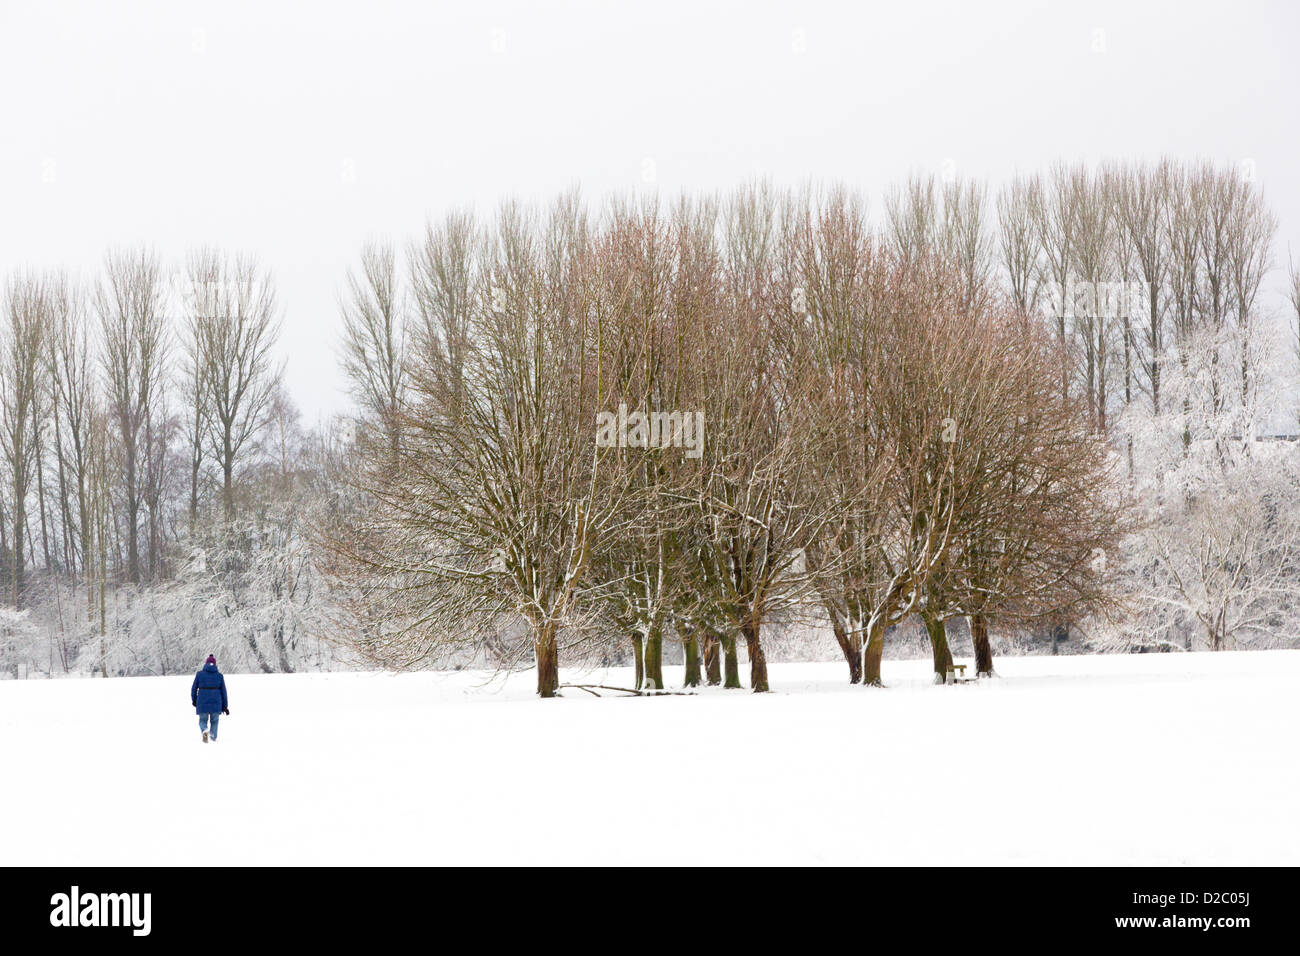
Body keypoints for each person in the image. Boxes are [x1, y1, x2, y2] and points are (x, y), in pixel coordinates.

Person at [191, 654, 229, 743]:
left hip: (202, 702)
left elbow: (194, 688)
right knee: (214, 721)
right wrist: (225, 706)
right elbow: (224, 692)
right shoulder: (219, 676)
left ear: (206, 663)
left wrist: (194, 700)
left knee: (202, 720)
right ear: (215, 664)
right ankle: (213, 739)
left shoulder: (199, 674)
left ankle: (204, 732)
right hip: (216, 703)